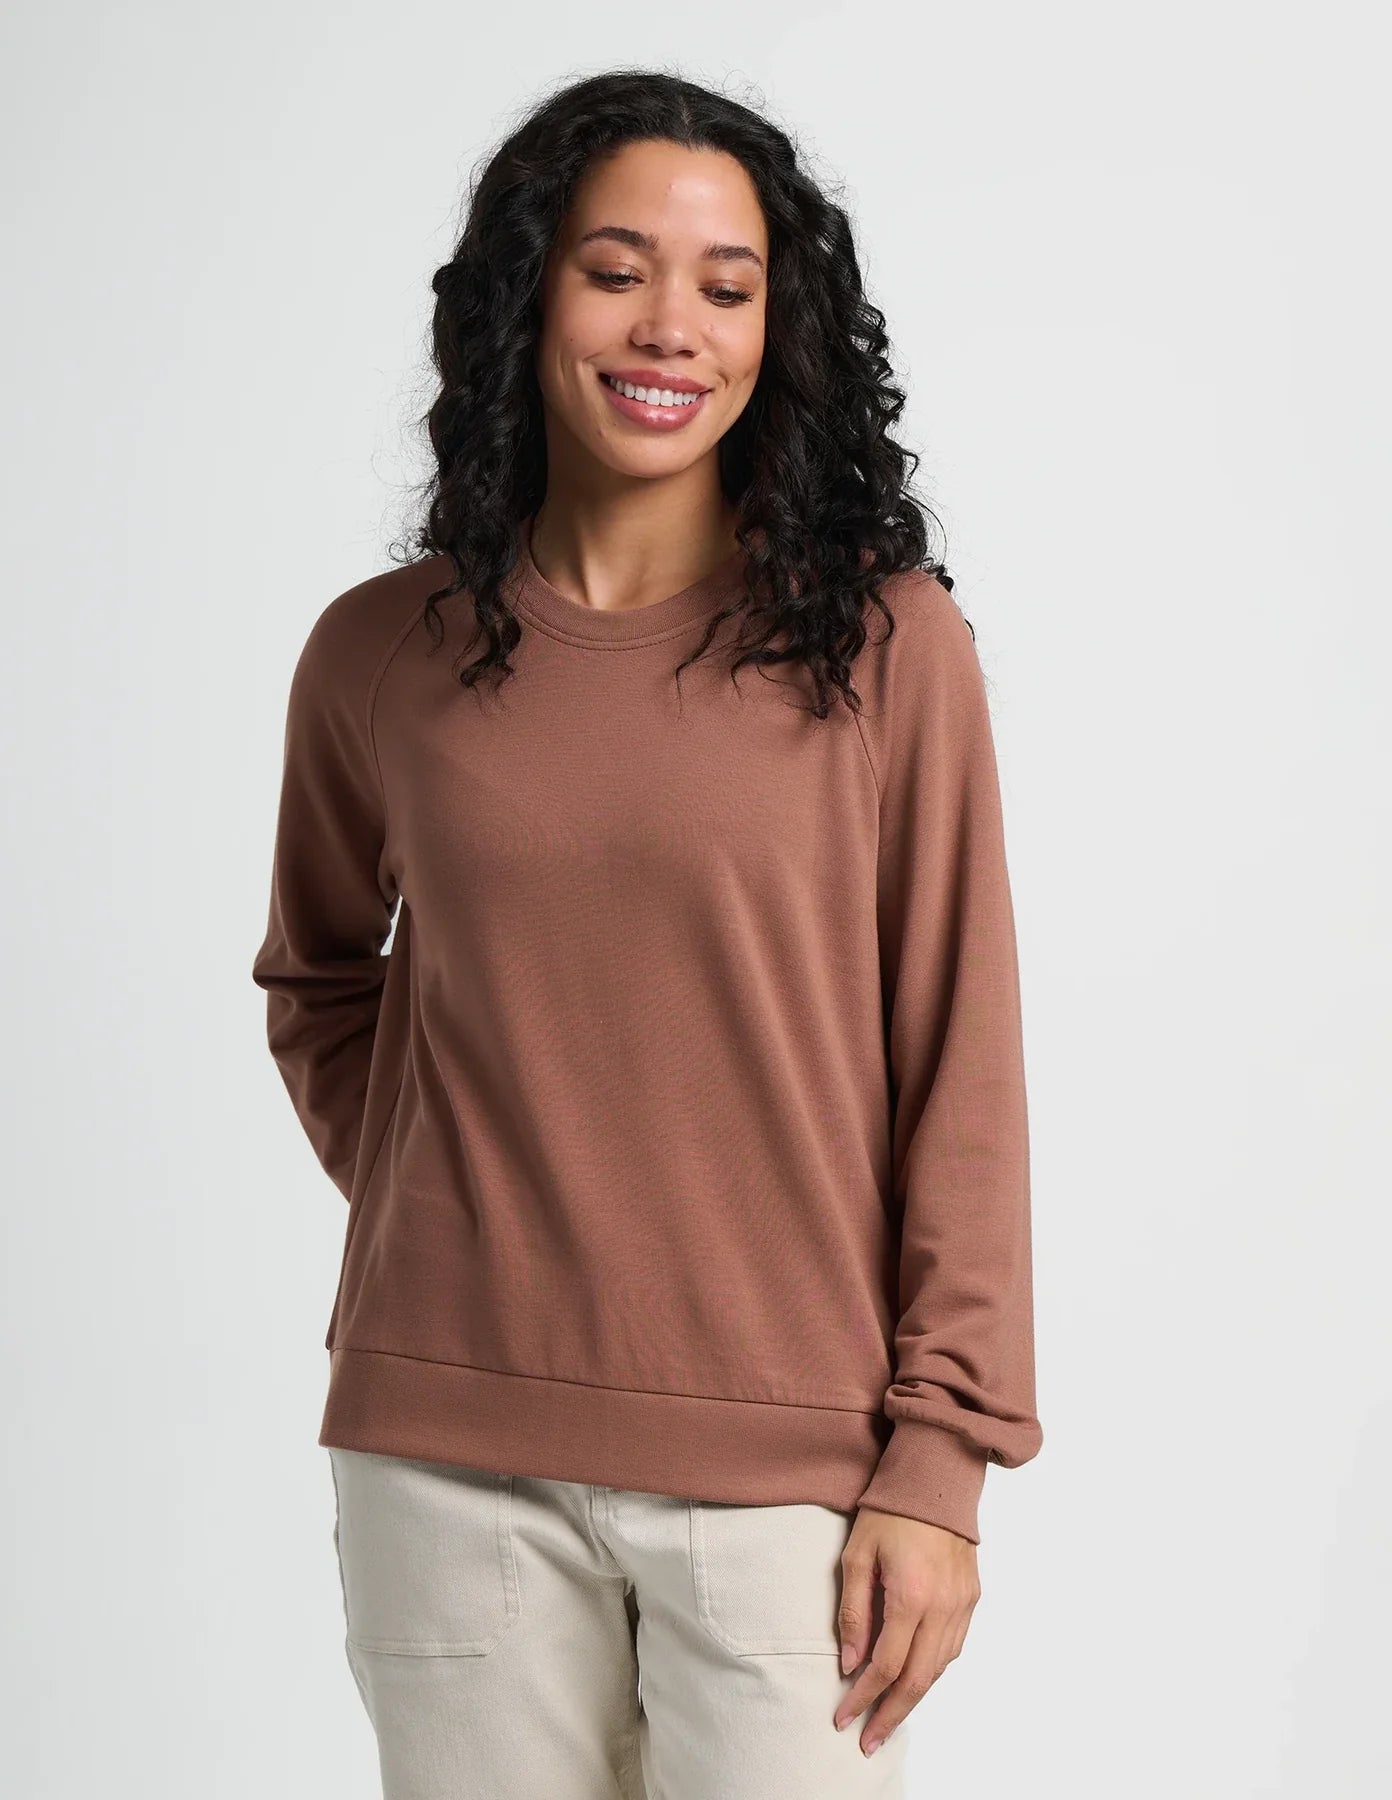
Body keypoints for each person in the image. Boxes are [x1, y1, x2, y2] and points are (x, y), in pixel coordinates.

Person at [251, 66, 1043, 1800]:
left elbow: (961, 1063)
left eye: (726, 286)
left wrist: (945, 1457)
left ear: (778, 331)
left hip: (792, 1478)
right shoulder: (379, 653)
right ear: (527, 296)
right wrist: (453, 1199)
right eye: (615, 270)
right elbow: (317, 977)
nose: (670, 325)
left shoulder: (886, 649)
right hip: (443, 1463)